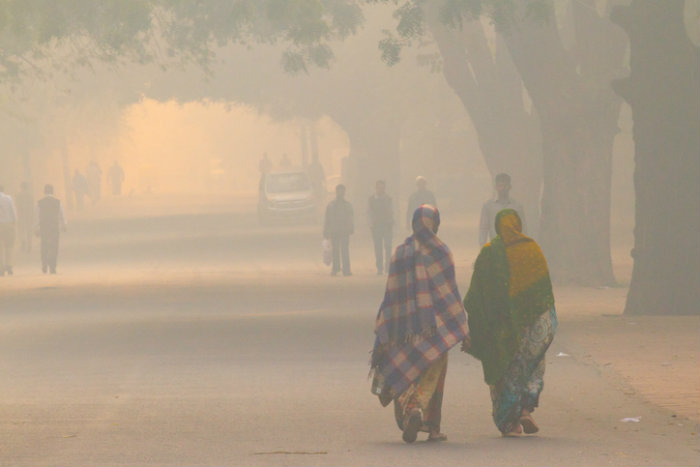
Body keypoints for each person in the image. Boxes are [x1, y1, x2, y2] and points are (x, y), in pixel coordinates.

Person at [371, 205, 469, 443]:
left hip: (403, 330)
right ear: (435, 223)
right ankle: (433, 427)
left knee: (406, 370)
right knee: (435, 378)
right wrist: (461, 324)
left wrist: (386, 326)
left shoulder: (400, 252)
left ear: (413, 223)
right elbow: (450, 293)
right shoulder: (442, 252)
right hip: (436, 330)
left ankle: (412, 411)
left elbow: (391, 294)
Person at [462, 209, 557, 437]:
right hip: (532, 325)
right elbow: (544, 292)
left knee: (505, 371)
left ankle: (509, 423)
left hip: (502, 330)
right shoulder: (531, 249)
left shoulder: (489, 253)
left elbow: (476, 296)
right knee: (531, 367)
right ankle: (525, 409)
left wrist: (474, 328)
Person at [479, 173, 527, 246]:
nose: (503, 188)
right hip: (495, 247)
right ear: (496, 187)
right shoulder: (488, 206)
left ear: (510, 187)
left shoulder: (517, 207)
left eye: (505, 185)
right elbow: (484, 228)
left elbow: (523, 228)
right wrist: (483, 246)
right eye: (500, 185)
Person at [35, 184, 67, 274]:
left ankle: (44, 264)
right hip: (54, 227)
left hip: (44, 227)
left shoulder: (39, 203)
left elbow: (37, 216)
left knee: (44, 246)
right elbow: (61, 214)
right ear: (53, 192)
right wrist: (64, 225)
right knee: (54, 246)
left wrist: (36, 227)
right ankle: (53, 266)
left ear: (44, 191)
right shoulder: (58, 202)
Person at [323, 184, 353, 276]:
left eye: (342, 191)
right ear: (336, 192)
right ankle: (335, 268)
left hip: (344, 231)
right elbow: (327, 219)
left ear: (344, 192)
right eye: (339, 191)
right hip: (334, 230)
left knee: (345, 251)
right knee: (335, 250)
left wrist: (351, 229)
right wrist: (326, 231)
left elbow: (351, 218)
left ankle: (346, 269)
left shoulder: (348, 205)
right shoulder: (331, 205)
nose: (341, 193)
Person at [367, 180, 393, 275]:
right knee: (378, 247)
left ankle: (388, 267)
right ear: (376, 188)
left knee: (388, 246)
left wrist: (391, 221)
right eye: (379, 188)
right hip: (376, 226)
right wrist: (371, 223)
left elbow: (391, 211)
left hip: (387, 226)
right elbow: (369, 212)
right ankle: (379, 267)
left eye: (382, 188)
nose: (380, 190)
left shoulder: (388, 199)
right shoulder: (371, 199)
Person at [0, 185, 17, 276]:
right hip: (8, 224)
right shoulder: (8, 198)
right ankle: (9, 265)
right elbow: (13, 210)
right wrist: (14, 221)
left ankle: (0, 267)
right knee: (9, 246)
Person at [15, 181, 34, 253]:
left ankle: (23, 241)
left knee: (21, 230)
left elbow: (17, 206)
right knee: (29, 231)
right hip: (29, 215)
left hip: (21, 215)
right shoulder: (30, 196)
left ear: (21, 187)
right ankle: (29, 245)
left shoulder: (18, 196)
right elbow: (32, 206)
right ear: (27, 187)